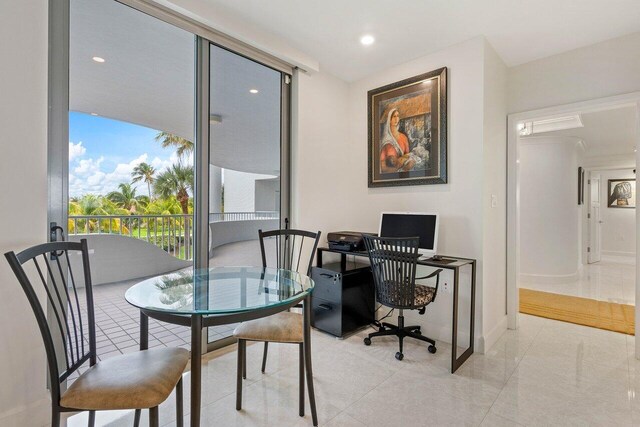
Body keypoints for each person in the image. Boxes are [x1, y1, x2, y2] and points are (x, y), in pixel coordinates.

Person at [379, 108, 415, 173]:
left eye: (398, 116)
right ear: (389, 119)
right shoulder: (385, 140)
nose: (396, 119)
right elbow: (381, 165)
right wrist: (397, 169)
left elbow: (408, 156)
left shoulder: (403, 137)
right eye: (394, 116)